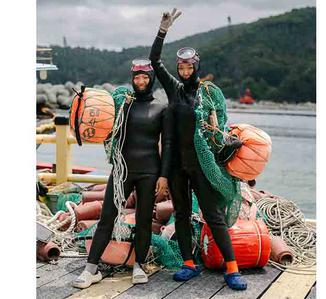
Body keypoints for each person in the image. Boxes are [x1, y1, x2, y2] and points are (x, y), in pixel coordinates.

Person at [149, 9, 247, 291]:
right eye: (181, 68)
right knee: (180, 213)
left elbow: (219, 134)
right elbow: (155, 61)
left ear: (196, 67)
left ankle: (232, 267)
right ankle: (189, 264)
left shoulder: (206, 96)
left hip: (202, 167)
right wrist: (163, 30)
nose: (184, 71)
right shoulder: (175, 90)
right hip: (179, 166)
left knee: (213, 215)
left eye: (189, 67)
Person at [73, 59, 171, 288]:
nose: (141, 81)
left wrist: (164, 176)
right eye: (137, 77)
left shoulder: (161, 108)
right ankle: (91, 269)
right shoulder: (123, 106)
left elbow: (167, 144)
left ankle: (139, 265)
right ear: (132, 79)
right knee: (107, 217)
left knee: (144, 219)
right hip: (122, 170)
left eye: (145, 77)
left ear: (152, 79)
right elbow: (102, 124)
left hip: (149, 172)